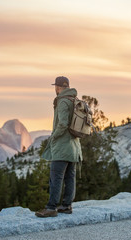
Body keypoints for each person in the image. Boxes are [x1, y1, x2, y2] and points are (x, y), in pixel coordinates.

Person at [35, 76, 83, 218]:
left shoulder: (62, 101)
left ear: (57, 87)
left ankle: (51, 208)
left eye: (55, 87)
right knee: (70, 177)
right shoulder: (74, 99)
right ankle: (67, 206)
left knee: (56, 177)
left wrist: (54, 137)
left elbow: (62, 123)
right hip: (74, 147)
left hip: (62, 147)